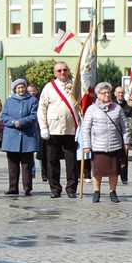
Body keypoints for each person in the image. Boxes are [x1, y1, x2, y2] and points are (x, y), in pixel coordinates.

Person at [80, 82, 131, 203]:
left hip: (114, 145)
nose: (107, 95)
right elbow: (86, 128)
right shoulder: (91, 109)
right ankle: (96, 191)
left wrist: (126, 142)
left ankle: (112, 191)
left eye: (108, 92)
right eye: (104, 93)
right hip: (98, 145)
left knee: (113, 171)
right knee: (98, 171)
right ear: (98, 95)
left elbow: (125, 127)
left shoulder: (117, 108)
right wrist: (86, 145)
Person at [38, 61, 80, 198]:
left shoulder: (75, 86)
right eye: (59, 70)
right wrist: (43, 127)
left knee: (71, 161)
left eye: (65, 70)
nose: (63, 73)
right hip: (53, 129)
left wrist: (81, 126)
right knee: (52, 160)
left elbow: (82, 106)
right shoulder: (49, 87)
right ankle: (55, 188)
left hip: (70, 128)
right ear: (55, 73)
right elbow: (42, 108)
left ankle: (71, 188)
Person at [0, 78, 39, 196]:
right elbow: (4, 116)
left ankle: (27, 187)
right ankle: (13, 187)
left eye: (22, 87)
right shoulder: (9, 101)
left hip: (27, 137)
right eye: (18, 88)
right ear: (15, 89)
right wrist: (13, 122)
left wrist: (21, 122)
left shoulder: (32, 100)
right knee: (12, 165)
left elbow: (34, 116)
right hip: (12, 138)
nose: (21, 89)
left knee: (27, 165)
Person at [114, 86, 132, 184]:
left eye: (122, 92)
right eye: (118, 92)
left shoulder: (129, 107)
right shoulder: (112, 105)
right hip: (113, 136)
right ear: (115, 93)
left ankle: (124, 177)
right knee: (114, 157)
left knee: (124, 157)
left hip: (124, 136)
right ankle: (113, 175)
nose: (120, 94)